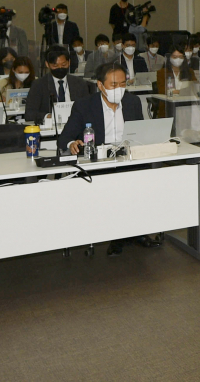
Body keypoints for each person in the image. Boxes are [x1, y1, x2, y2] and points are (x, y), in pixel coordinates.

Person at [58, 61, 150, 256]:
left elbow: (141, 133)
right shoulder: (84, 106)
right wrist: (71, 144)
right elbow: (65, 138)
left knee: (143, 179)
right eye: (113, 85)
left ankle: (139, 231)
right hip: (99, 162)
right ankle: (116, 236)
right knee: (114, 185)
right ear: (100, 85)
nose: (119, 89)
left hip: (128, 158)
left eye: (123, 84)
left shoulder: (133, 102)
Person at [25, 45, 89, 124]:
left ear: (69, 62)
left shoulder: (80, 83)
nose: (60, 68)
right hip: (51, 131)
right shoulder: (39, 85)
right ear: (47, 64)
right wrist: (48, 116)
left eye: (63, 65)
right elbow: (29, 114)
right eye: (55, 66)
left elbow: (88, 109)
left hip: (75, 128)